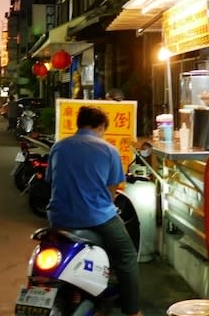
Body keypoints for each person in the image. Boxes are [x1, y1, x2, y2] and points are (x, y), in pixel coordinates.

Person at [46, 106, 143, 316]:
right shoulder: (108, 150)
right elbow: (112, 192)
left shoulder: (58, 147)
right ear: (101, 127)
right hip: (97, 217)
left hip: (58, 217)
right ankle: (132, 311)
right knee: (127, 256)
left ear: (79, 124)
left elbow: (51, 181)